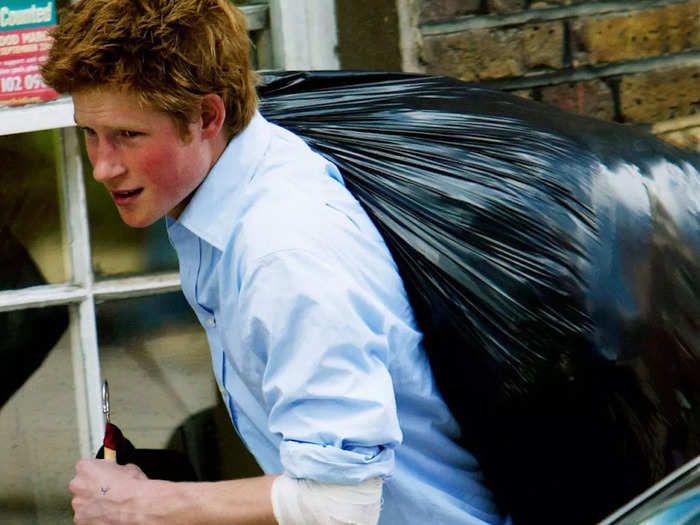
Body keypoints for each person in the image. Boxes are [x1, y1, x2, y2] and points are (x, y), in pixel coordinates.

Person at [41, 1, 506, 523]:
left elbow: (340, 501)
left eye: (128, 135)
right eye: (89, 132)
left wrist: (146, 505)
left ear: (208, 115)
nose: (102, 167)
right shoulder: (232, 178)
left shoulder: (284, 257)